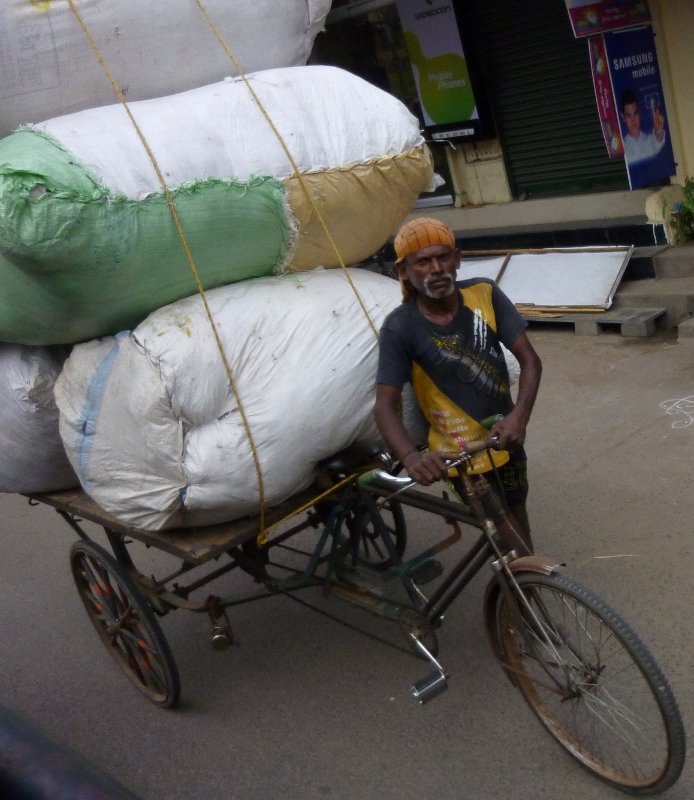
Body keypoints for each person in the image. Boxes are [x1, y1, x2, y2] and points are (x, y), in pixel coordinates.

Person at [374, 217, 542, 553]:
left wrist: (519, 417)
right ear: (403, 271)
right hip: (458, 457)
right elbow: (384, 406)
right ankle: (526, 579)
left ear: (458, 259)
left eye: (443, 257)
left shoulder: (484, 294)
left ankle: (519, 582)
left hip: (505, 439)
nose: (436, 269)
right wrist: (411, 456)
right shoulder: (400, 327)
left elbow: (530, 361)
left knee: (518, 512)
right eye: (423, 262)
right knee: (509, 539)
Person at [619, 88, 666, 164]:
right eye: (628, 116)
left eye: (635, 114)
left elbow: (658, 139)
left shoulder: (650, 141)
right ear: (623, 117)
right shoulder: (621, 149)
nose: (633, 120)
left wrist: (659, 131)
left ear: (639, 113)